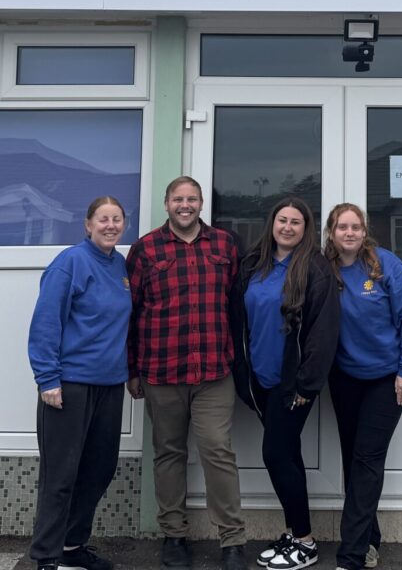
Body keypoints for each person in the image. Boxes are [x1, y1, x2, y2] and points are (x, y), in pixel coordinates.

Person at [126, 177, 248, 570]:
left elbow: (237, 306)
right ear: (166, 203)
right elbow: (129, 311)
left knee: (217, 451)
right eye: (178, 199)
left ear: (201, 204)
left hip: (214, 370)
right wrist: (131, 369)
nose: (185, 205)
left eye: (192, 199)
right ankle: (174, 535)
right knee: (169, 453)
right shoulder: (145, 248)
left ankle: (232, 539)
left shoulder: (226, 245)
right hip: (161, 371)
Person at [231, 197, 339, 570]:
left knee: (275, 455)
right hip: (259, 380)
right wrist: (241, 376)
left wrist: (306, 387)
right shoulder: (252, 264)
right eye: (282, 220)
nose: (288, 227)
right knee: (289, 455)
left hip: (292, 385)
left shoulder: (315, 269)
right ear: (272, 223)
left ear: (306, 228)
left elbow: (323, 335)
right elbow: (238, 321)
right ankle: (296, 534)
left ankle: (305, 542)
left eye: (296, 222)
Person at [26, 195, 132, 570]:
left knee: (99, 468)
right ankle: (47, 557)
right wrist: (47, 378)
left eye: (116, 219)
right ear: (87, 225)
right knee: (61, 475)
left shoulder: (120, 265)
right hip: (69, 385)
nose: (110, 226)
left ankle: (72, 547)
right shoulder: (70, 262)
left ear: (124, 224)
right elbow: (46, 322)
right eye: (102, 219)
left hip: (109, 385)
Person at [323, 203, 402, 570]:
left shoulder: (385, 266)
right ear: (331, 232)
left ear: (364, 232)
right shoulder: (327, 268)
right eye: (341, 227)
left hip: (386, 379)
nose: (349, 233)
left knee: (367, 460)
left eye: (355, 227)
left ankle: (351, 555)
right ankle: (369, 538)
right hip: (344, 378)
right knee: (355, 460)